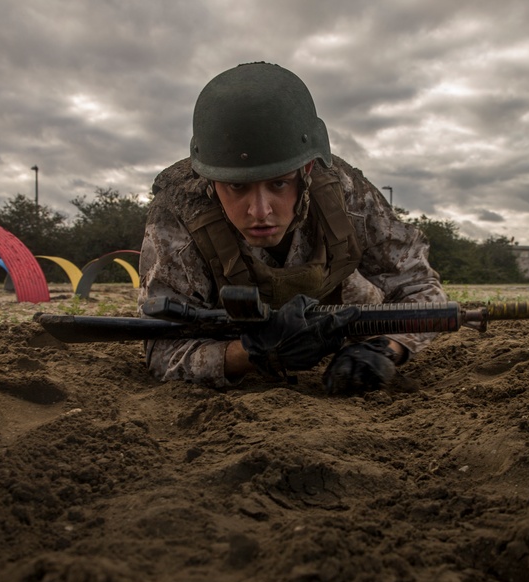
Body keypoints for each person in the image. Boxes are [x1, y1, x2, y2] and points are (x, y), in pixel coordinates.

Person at [138, 62, 445, 394]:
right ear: (210, 180)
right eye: (237, 187)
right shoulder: (181, 209)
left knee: (365, 296)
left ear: (307, 170)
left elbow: (422, 290)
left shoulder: (344, 193)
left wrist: (384, 348)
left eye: (279, 184)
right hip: (230, 334)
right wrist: (253, 353)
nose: (260, 211)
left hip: (338, 322)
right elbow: (162, 350)